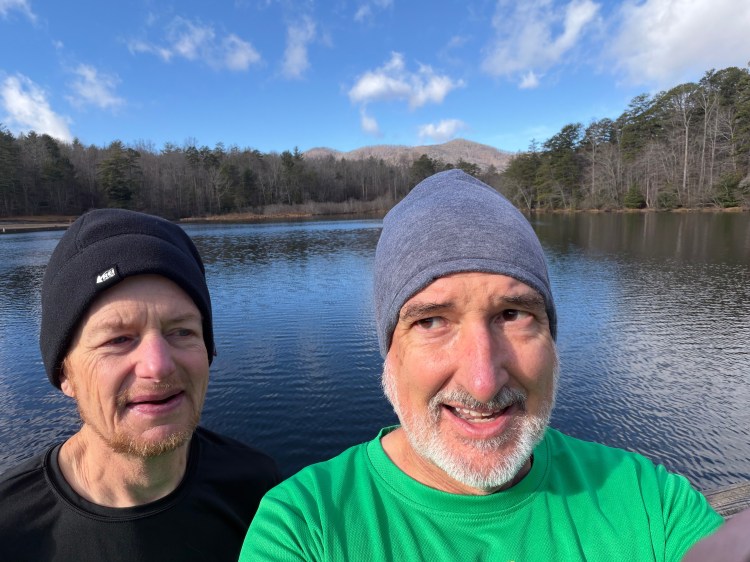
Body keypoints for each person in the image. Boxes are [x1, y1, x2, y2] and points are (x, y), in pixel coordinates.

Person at [240, 169, 722, 561]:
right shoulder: (305, 527)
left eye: (512, 315)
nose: (483, 381)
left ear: (552, 338)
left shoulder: (648, 499)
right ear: (390, 355)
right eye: (431, 321)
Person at [0, 209, 279, 561]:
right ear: (64, 372)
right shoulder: (9, 528)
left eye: (182, 332)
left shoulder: (262, 495)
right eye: (118, 339)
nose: (158, 366)